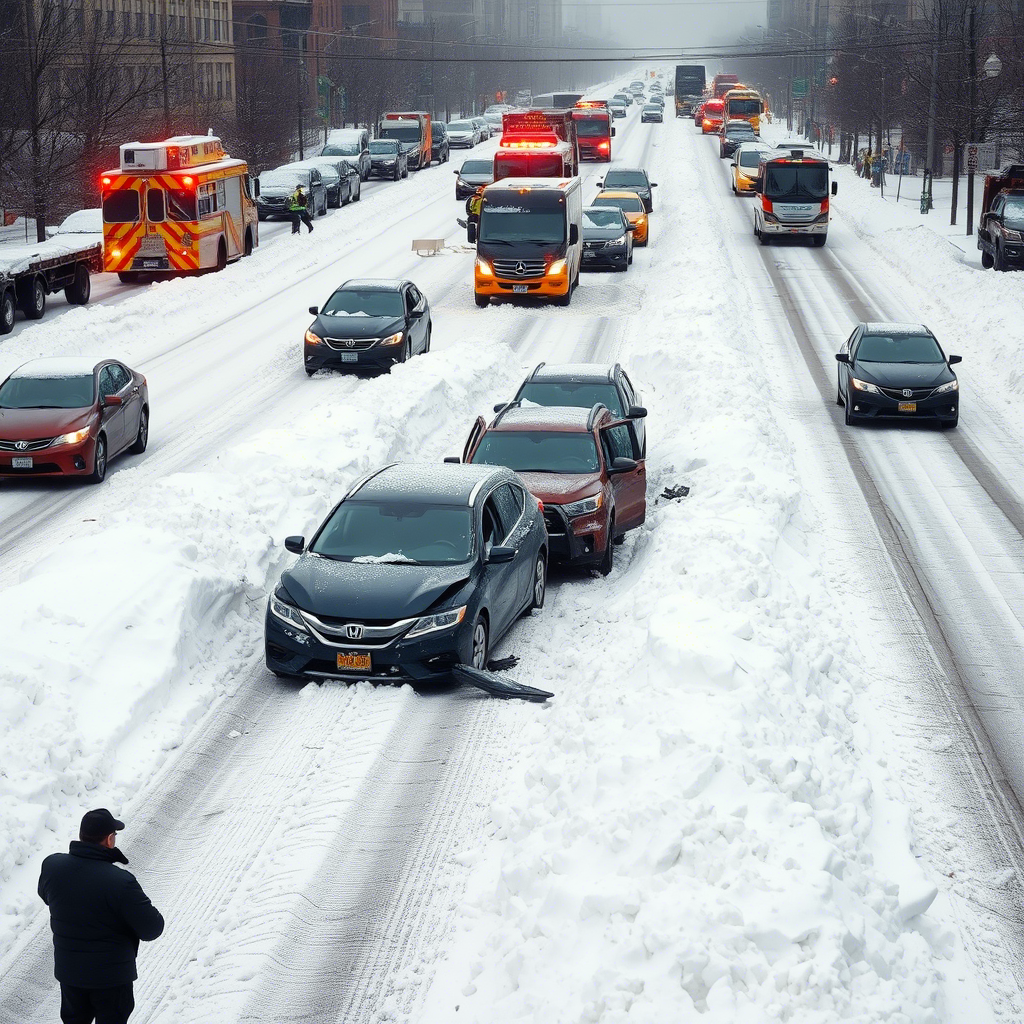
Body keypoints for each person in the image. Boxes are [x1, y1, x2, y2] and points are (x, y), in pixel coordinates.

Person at [38, 809, 164, 1024]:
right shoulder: (120, 881)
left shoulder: (52, 866)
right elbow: (152, 928)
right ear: (109, 839)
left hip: (70, 976)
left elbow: (46, 896)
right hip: (111, 980)